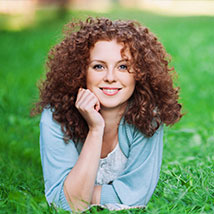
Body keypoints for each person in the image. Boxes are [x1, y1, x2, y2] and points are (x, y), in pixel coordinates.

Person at [32, 17, 183, 212]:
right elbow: (66, 205)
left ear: (139, 73)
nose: (110, 77)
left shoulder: (148, 116)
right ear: (80, 72)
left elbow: (137, 197)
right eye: (98, 66)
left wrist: (79, 193)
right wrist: (95, 130)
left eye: (123, 66)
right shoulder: (55, 117)